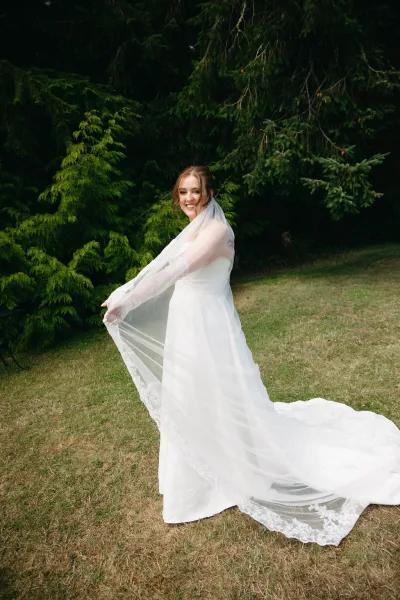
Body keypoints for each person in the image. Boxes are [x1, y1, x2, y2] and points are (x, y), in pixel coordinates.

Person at [102, 165, 400, 546]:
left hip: (208, 328)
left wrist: (127, 301)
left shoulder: (218, 232)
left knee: (210, 395)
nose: (189, 199)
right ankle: (186, 479)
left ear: (209, 193)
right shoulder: (194, 230)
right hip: (187, 324)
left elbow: (175, 270)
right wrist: (124, 291)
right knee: (187, 398)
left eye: (195, 191)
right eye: (183, 192)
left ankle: (229, 473)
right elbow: (159, 265)